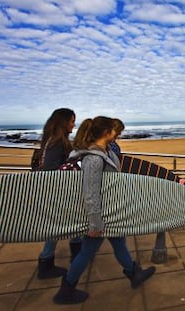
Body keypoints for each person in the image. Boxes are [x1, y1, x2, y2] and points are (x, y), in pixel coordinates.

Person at [53, 116, 155, 304]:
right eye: (114, 131)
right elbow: (90, 193)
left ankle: (134, 274)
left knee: (119, 243)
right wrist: (95, 222)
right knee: (86, 252)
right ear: (107, 132)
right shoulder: (93, 158)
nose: (117, 133)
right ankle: (66, 290)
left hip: (109, 213)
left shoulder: (104, 152)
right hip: (100, 217)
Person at [37, 108, 82, 279]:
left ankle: (54, 261)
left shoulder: (51, 140)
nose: (73, 124)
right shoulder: (57, 142)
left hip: (57, 192)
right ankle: (47, 264)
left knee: (67, 225)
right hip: (58, 193)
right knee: (61, 227)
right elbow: (50, 170)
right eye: (71, 121)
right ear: (63, 122)